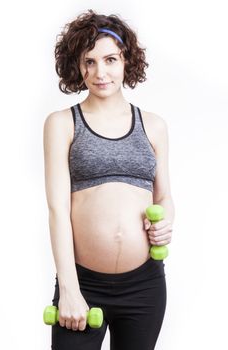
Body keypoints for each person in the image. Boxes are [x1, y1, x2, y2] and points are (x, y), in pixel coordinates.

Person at [43, 9, 175, 350]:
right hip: (83, 283)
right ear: (77, 66)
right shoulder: (62, 124)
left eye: (110, 59)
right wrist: (69, 290)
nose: (100, 72)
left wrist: (167, 220)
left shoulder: (154, 125)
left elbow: (164, 197)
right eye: (89, 62)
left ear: (126, 60)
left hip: (145, 286)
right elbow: (58, 211)